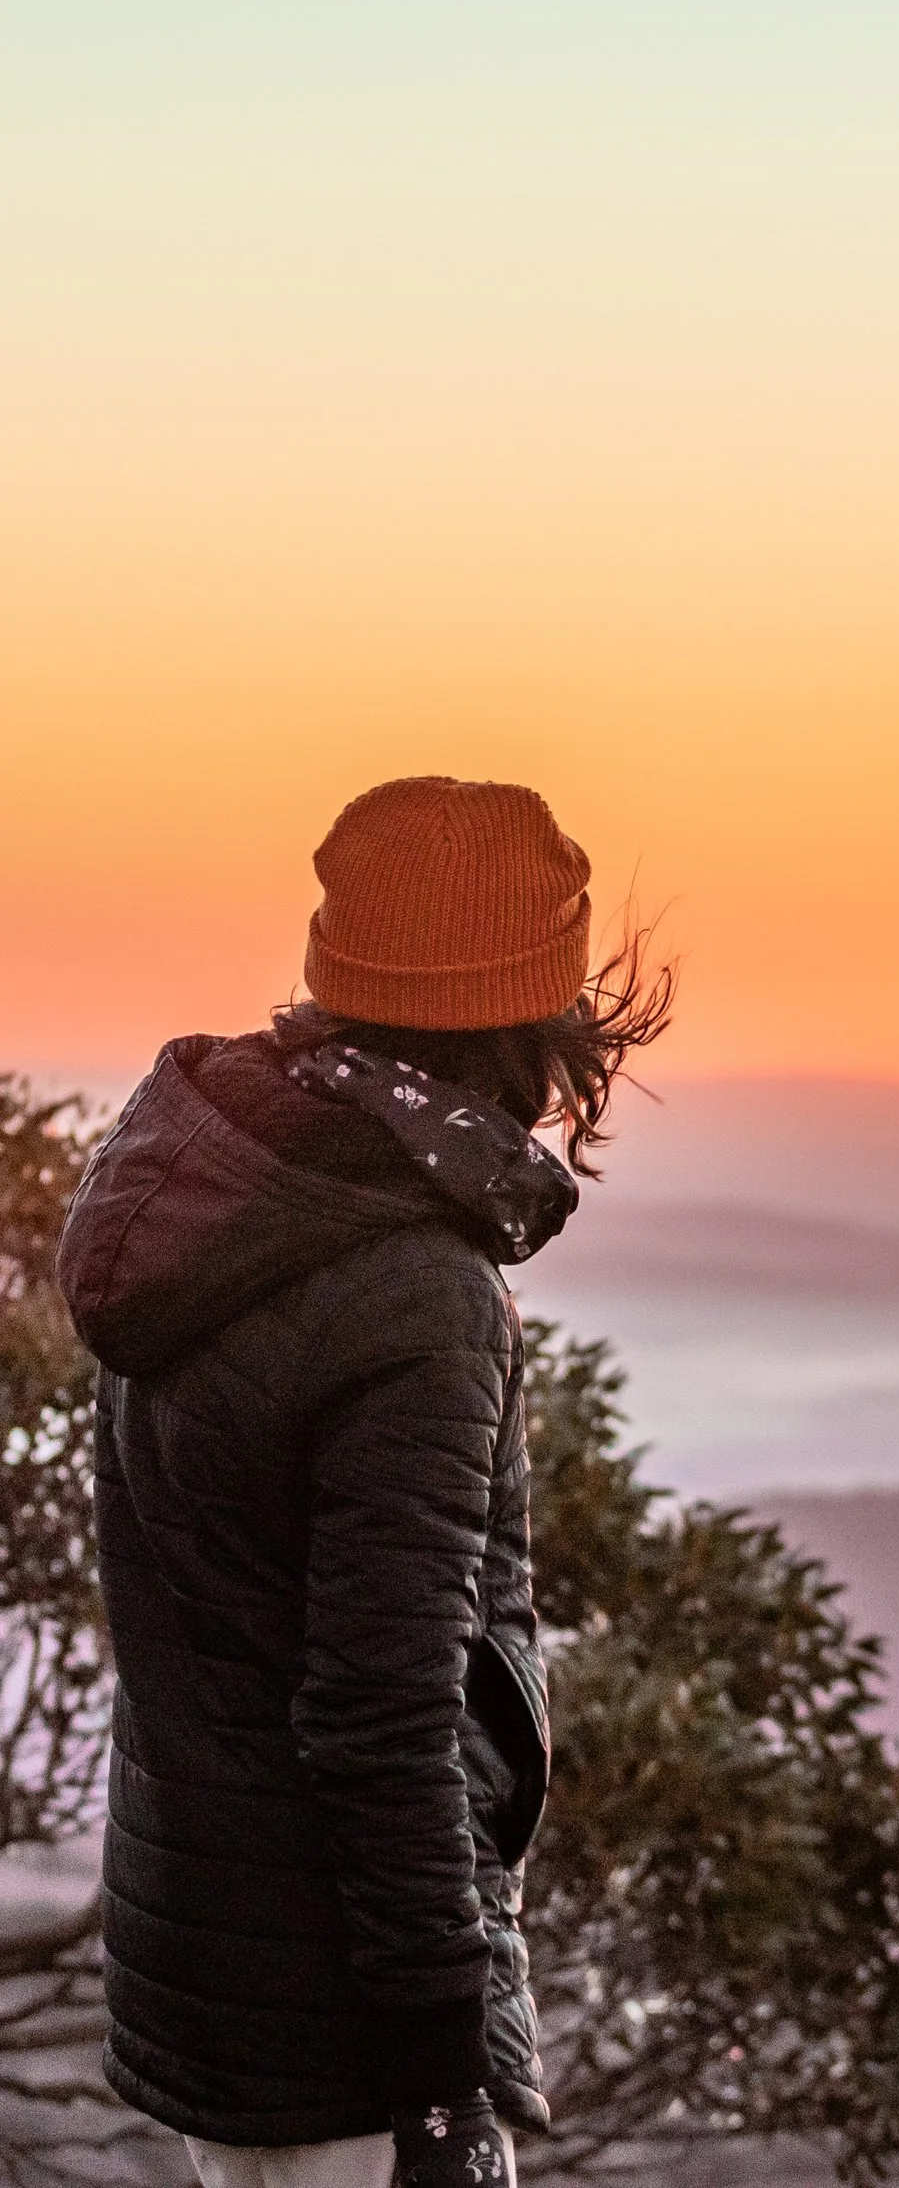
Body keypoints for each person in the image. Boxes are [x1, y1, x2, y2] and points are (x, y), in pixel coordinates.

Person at [57, 778, 672, 2188]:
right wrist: (443, 2079)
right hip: (339, 2025)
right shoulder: (414, 1288)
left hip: (210, 1978)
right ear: (530, 1014)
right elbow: (380, 1712)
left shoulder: (219, 1189)